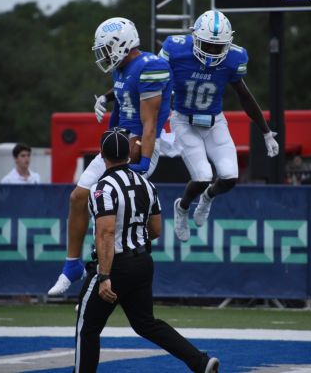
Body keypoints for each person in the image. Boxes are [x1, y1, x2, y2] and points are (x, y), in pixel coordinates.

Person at [63, 127, 220, 373]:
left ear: (102, 155)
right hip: (142, 262)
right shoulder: (146, 184)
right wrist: (132, 237)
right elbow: (156, 229)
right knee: (146, 323)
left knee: (88, 327)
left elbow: (105, 233)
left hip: (115, 265)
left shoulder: (103, 187)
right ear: (128, 155)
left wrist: (104, 276)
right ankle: (199, 361)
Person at [48, 17, 172, 295]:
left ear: (122, 44)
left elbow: (149, 123)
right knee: (78, 197)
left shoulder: (151, 66)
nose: (103, 56)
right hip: (119, 141)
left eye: (106, 49)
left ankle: (104, 276)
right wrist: (106, 101)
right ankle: (72, 265)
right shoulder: (122, 68)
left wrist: (142, 162)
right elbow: (123, 97)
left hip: (140, 143)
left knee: (112, 214)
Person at [159, 10, 279, 242]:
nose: (212, 51)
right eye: (207, 45)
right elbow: (155, 84)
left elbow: (245, 96)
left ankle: (207, 198)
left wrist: (266, 132)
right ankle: (182, 207)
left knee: (230, 176)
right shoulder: (176, 49)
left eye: (218, 47)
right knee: (203, 175)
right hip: (183, 120)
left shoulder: (234, 58)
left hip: (214, 121)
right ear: (195, 38)